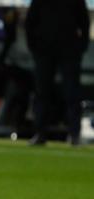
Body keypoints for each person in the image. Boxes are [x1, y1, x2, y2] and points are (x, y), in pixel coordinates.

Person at [25, 0, 90, 146]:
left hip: (69, 50)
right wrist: (35, 47)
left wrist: (81, 47)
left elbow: (84, 22)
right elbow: (30, 21)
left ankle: (74, 134)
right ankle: (40, 133)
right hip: (44, 50)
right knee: (42, 92)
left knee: (72, 92)